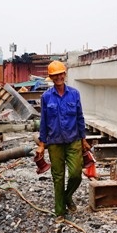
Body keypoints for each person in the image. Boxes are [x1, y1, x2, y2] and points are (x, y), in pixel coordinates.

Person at [37, 60, 90, 220]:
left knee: (75, 174)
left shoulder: (74, 94)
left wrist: (83, 139)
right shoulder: (46, 97)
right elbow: (44, 121)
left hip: (73, 140)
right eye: (55, 75)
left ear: (65, 74)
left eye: (60, 74)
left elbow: (80, 117)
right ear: (51, 77)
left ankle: (67, 196)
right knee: (58, 177)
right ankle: (60, 211)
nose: (58, 77)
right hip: (54, 143)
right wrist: (41, 144)